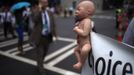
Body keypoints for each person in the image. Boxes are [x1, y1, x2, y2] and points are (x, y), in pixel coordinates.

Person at [29, 0, 57, 75]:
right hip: (39, 37)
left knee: (45, 52)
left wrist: (55, 35)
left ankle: (39, 62)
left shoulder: (49, 12)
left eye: (46, 2)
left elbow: (52, 24)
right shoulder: (35, 11)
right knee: (40, 53)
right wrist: (39, 10)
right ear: (40, 3)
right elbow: (35, 20)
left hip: (48, 36)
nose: (46, 3)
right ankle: (40, 68)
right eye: (43, 2)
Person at [73, 0, 95, 70]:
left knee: (85, 50)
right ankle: (80, 61)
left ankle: (81, 63)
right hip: (80, 44)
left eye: (79, 10)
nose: (76, 11)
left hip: (86, 43)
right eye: (76, 10)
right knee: (76, 50)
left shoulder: (87, 21)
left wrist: (76, 29)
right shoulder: (82, 20)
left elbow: (85, 33)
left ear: (88, 12)